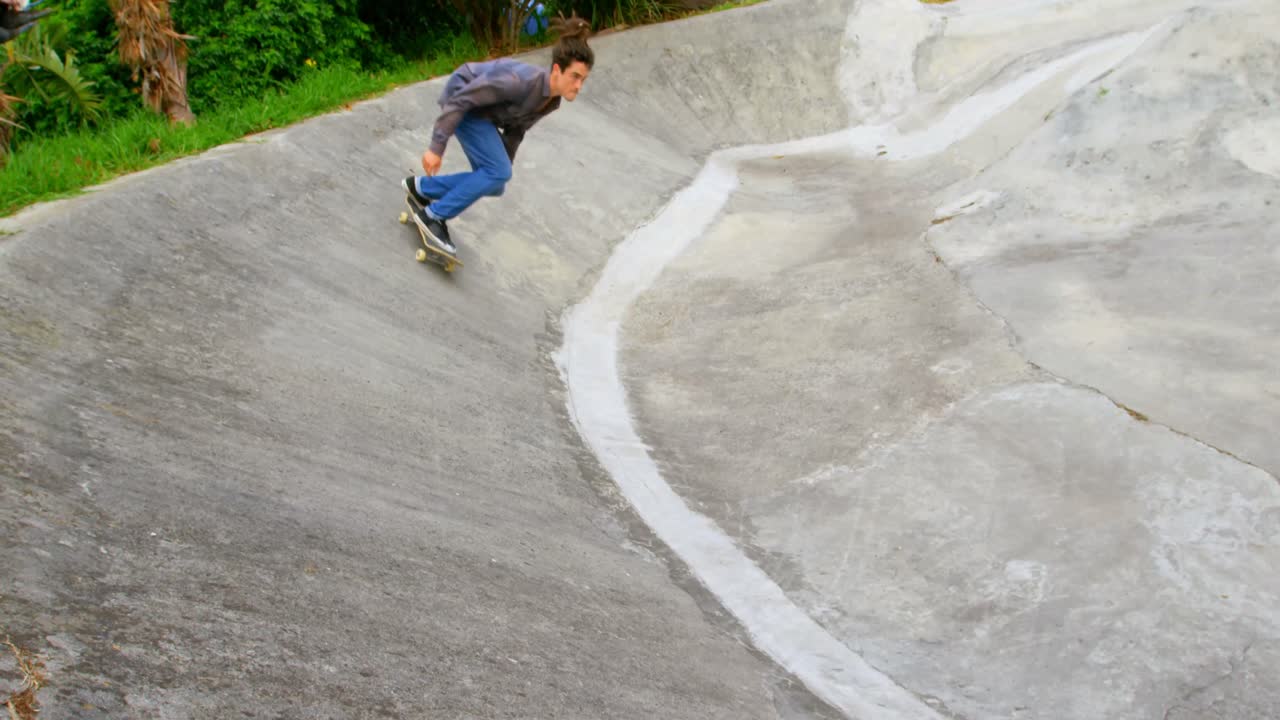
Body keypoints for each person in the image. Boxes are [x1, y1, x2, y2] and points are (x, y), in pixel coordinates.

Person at [402, 14, 594, 254]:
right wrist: (436, 147)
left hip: (481, 114)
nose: (578, 86)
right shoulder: (520, 82)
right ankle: (432, 216)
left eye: (583, 80)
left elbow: (517, 129)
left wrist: (504, 165)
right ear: (557, 70)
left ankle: (421, 188)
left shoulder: (551, 100)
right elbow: (463, 98)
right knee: (497, 172)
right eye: (575, 77)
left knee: (496, 183)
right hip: (462, 101)